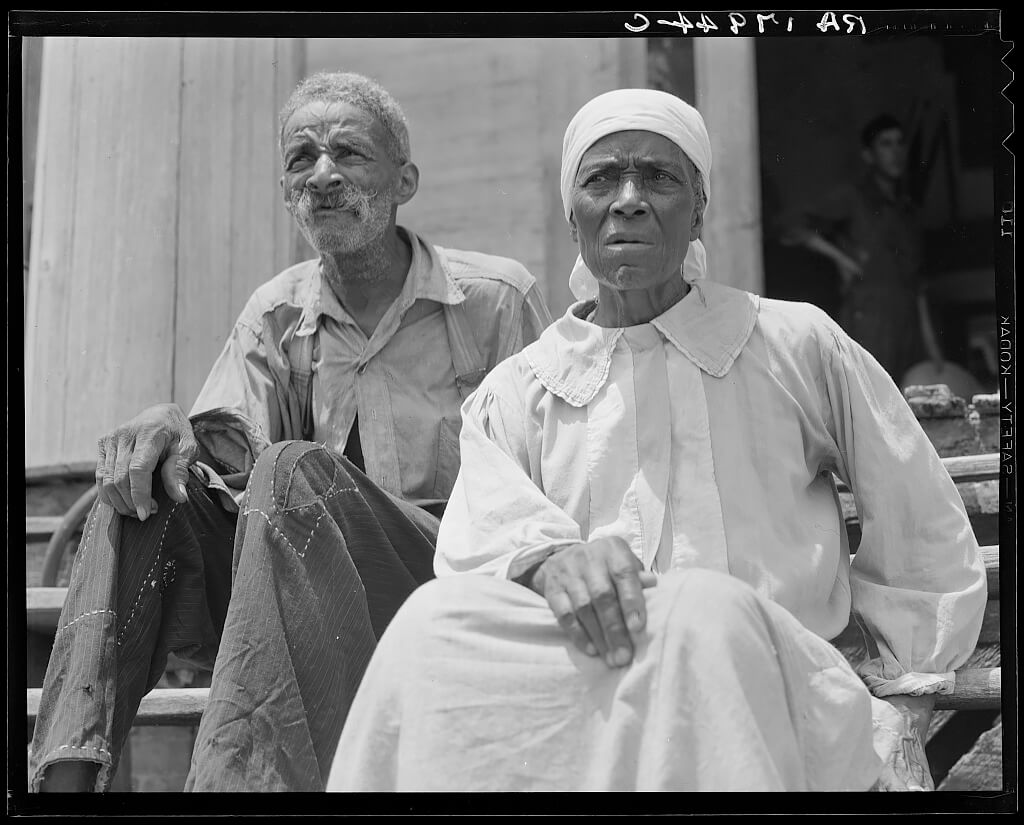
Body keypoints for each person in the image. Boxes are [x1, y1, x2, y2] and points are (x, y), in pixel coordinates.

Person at [325, 89, 987, 792]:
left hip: (772, 672)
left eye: (660, 178)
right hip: (589, 676)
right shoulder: (519, 388)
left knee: (702, 607)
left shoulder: (794, 342)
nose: (629, 200)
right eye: (602, 178)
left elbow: (920, 518)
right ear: (571, 211)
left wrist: (904, 694)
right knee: (429, 622)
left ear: (699, 208)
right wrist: (547, 563)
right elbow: (480, 542)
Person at [30, 71, 552, 793]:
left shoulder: (495, 300)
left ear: (406, 179)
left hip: (446, 581)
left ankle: (234, 786)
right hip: (303, 594)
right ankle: (62, 781)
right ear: (286, 194)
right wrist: (165, 424)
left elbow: (546, 477)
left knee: (295, 467)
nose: (324, 175)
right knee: (141, 485)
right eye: (302, 159)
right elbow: (218, 465)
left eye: (349, 153)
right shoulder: (275, 313)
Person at [779, 114, 934, 385]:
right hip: (869, 318)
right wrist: (841, 259)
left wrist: (933, 348)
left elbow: (918, 282)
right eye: (885, 144)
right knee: (872, 399)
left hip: (908, 322)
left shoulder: (907, 208)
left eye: (900, 143)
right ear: (868, 155)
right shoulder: (852, 198)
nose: (896, 152)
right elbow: (792, 225)